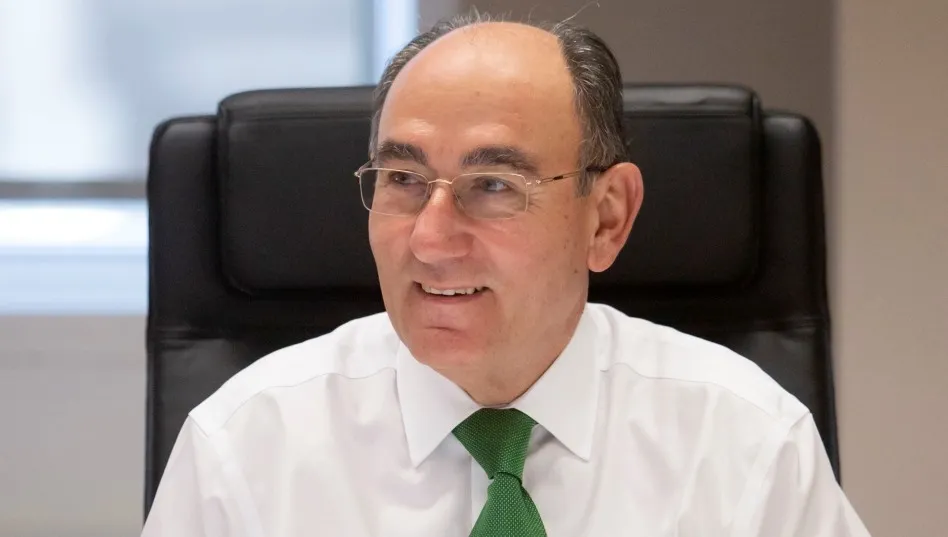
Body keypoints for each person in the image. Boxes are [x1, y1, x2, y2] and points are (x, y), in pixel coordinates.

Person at [141, 12, 872, 537]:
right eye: (403, 179)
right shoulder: (246, 446)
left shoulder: (747, 443)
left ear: (606, 218)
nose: (430, 240)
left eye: (493, 185)